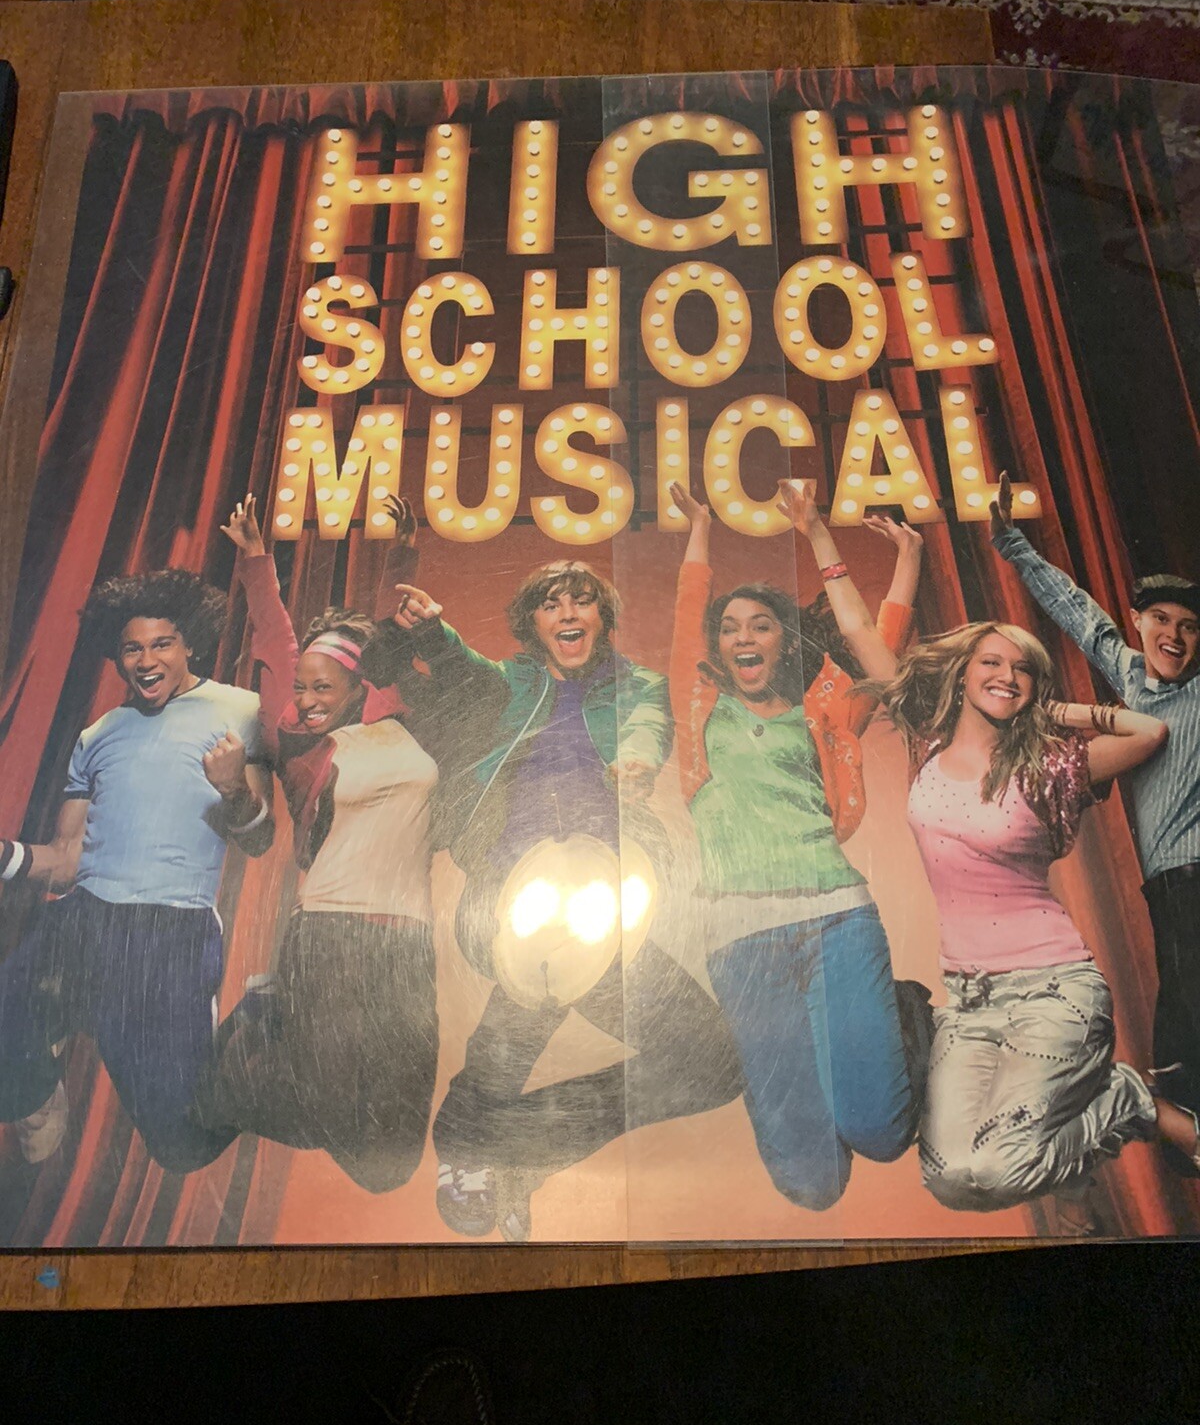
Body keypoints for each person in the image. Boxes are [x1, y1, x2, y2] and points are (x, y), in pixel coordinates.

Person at [388, 557, 744, 1242]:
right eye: (552, 604)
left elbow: (647, 727)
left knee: (710, 1064)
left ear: (602, 618)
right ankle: (477, 1144)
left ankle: (493, 1144)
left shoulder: (638, 685)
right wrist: (433, 631)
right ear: (534, 624)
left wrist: (635, 764)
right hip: (512, 880)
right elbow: (466, 672)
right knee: (533, 987)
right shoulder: (513, 680)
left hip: (600, 883)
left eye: (582, 601)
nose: (568, 614)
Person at [878, 616, 1200, 1220]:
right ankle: (1088, 1140)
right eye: (992, 662)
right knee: (949, 1180)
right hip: (968, 1004)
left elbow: (1151, 731)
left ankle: (1131, 1100)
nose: (1007, 675)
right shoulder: (927, 747)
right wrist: (828, 559)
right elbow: (868, 640)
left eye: (1023, 669)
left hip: (1055, 992)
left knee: (1001, 1166)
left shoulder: (1049, 769)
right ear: (962, 673)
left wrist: (1055, 711)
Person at [667, 477, 926, 1211]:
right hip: (740, 939)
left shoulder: (827, 711)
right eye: (730, 629)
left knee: (881, 1132)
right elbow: (687, 615)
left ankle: (908, 1020)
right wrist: (700, 527)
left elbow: (882, 639)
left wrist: (893, 553)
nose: (743, 638)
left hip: (836, 918)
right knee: (812, 1185)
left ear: (784, 639)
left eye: (761, 625)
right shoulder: (698, 707)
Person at [199, 494, 440, 1194]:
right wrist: (256, 559)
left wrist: (402, 555)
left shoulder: (391, 711)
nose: (305, 698)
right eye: (300, 687)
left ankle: (275, 1021)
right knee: (333, 1108)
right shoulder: (297, 739)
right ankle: (250, 1042)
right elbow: (277, 639)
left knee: (389, 1164)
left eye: (323, 687)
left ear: (361, 687)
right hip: (332, 933)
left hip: (410, 941)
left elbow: (383, 637)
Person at [0, 569, 274, 1171]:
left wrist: (233, 789)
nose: (147, 661)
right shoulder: (98, 734)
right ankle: (37, 1093)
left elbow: (260, 840)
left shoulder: (241, 710)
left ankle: (260, 1012)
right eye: (132, 648)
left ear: (189, 644)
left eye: (162, 644)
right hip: (85, 917)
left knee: (181, 1149)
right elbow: (65, 862)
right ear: (117, 655)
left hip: (169, 932)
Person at [992, 473, 1200, 1132]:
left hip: (1192, 873)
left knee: (1187, 1007)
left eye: (1190, 627)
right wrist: (1011, 542)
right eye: (1161, 620)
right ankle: (1182, 1126)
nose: (1174, 635)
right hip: (1168, 881)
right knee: (1182, 1004)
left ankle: (1182, 1124)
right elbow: (1077, 611)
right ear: (1138, 623)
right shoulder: (1132, 678)